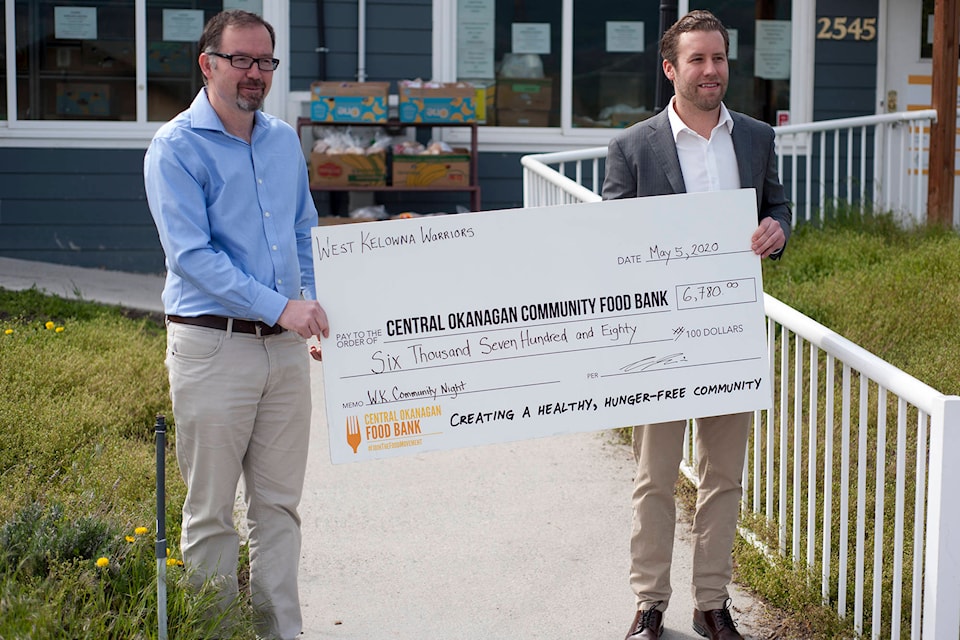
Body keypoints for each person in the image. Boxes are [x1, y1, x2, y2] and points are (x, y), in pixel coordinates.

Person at [602, 10, 791, 640]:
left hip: (731, 332)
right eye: (697, 60)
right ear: (670, 68)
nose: (711, 71)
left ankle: (712, 603)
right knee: (654, 475)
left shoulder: (758, 137)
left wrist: (778, 230)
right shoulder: (632, 147)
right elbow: (611, 238)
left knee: (724, 475)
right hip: (659, 339)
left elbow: (777, 204)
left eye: (719, 59)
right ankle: (648, 603)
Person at [143, 9, 328, 640]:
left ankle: (281, 632)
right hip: (212, 348)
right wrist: (282, 307)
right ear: (208, 64)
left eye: (265, 62)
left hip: (283, 352)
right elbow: (192, 258)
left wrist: (313, 309)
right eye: (242, 60)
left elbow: (304, 231)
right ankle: (215, 634)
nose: (255, 74)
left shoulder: (280, 140)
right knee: (211, 515)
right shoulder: (174, 147)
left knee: (279, 509)